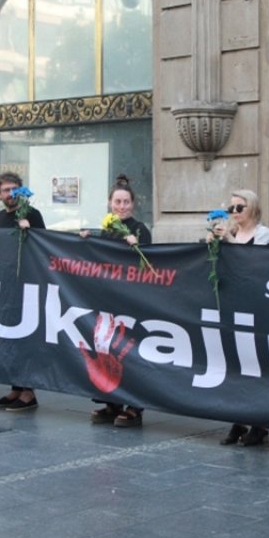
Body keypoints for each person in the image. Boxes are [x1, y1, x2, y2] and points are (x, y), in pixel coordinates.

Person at [80, 175, 151, 427]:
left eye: (126, 202)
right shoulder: (107, 229)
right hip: (108, 298)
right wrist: (88, 239)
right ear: (110, 203)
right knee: (105, 349)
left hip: (131, 300)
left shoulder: (140, 229)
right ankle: (111, 402)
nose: (121, 206)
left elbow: (149, 263)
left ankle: (135, 407)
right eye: (117, 202)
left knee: (130, 352)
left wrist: (137, 245)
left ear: (133, 204)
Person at [209, 189, 269, 447]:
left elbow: (255, 264)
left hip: (257, 306)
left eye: (239, 207)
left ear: (253, 209)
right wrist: (213, 243)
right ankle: (238, 420)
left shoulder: (263, 233)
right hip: (233, 304)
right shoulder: (232, 232)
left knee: (256, 364)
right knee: (235, 364)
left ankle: (259, 424)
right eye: (231, 208)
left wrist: (229, 241)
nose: (234, 212)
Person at [0, 173, 45, 412]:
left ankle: (29, 392)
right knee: (8, 338)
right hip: (6, 283)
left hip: (27, 283)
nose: (10, 194)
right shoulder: (1, 216)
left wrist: (30, 230)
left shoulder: (32, 214)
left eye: (14, 189)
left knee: (25, 339)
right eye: (6, 190)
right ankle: (15, 388)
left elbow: (45, 244)